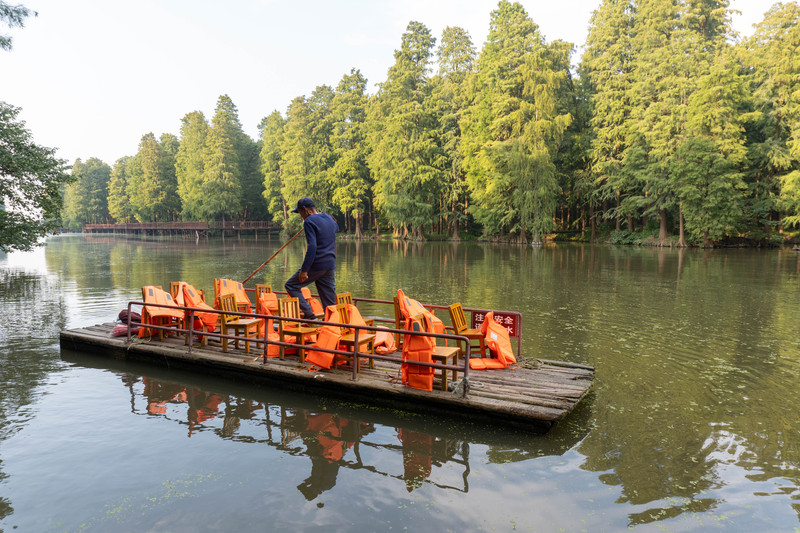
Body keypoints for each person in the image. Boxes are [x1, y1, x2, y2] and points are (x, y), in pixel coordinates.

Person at [285, 198, 338, 319]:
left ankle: (309, 315)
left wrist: (304, 270)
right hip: (330, 265)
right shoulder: (329, 218)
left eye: (300, 213)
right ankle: (333, 325)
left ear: (305, 210)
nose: (301, 217)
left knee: (291, 285)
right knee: (329, 300)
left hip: (317, 264)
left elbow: (312, 247)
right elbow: (335, 227)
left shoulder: (309, 221)